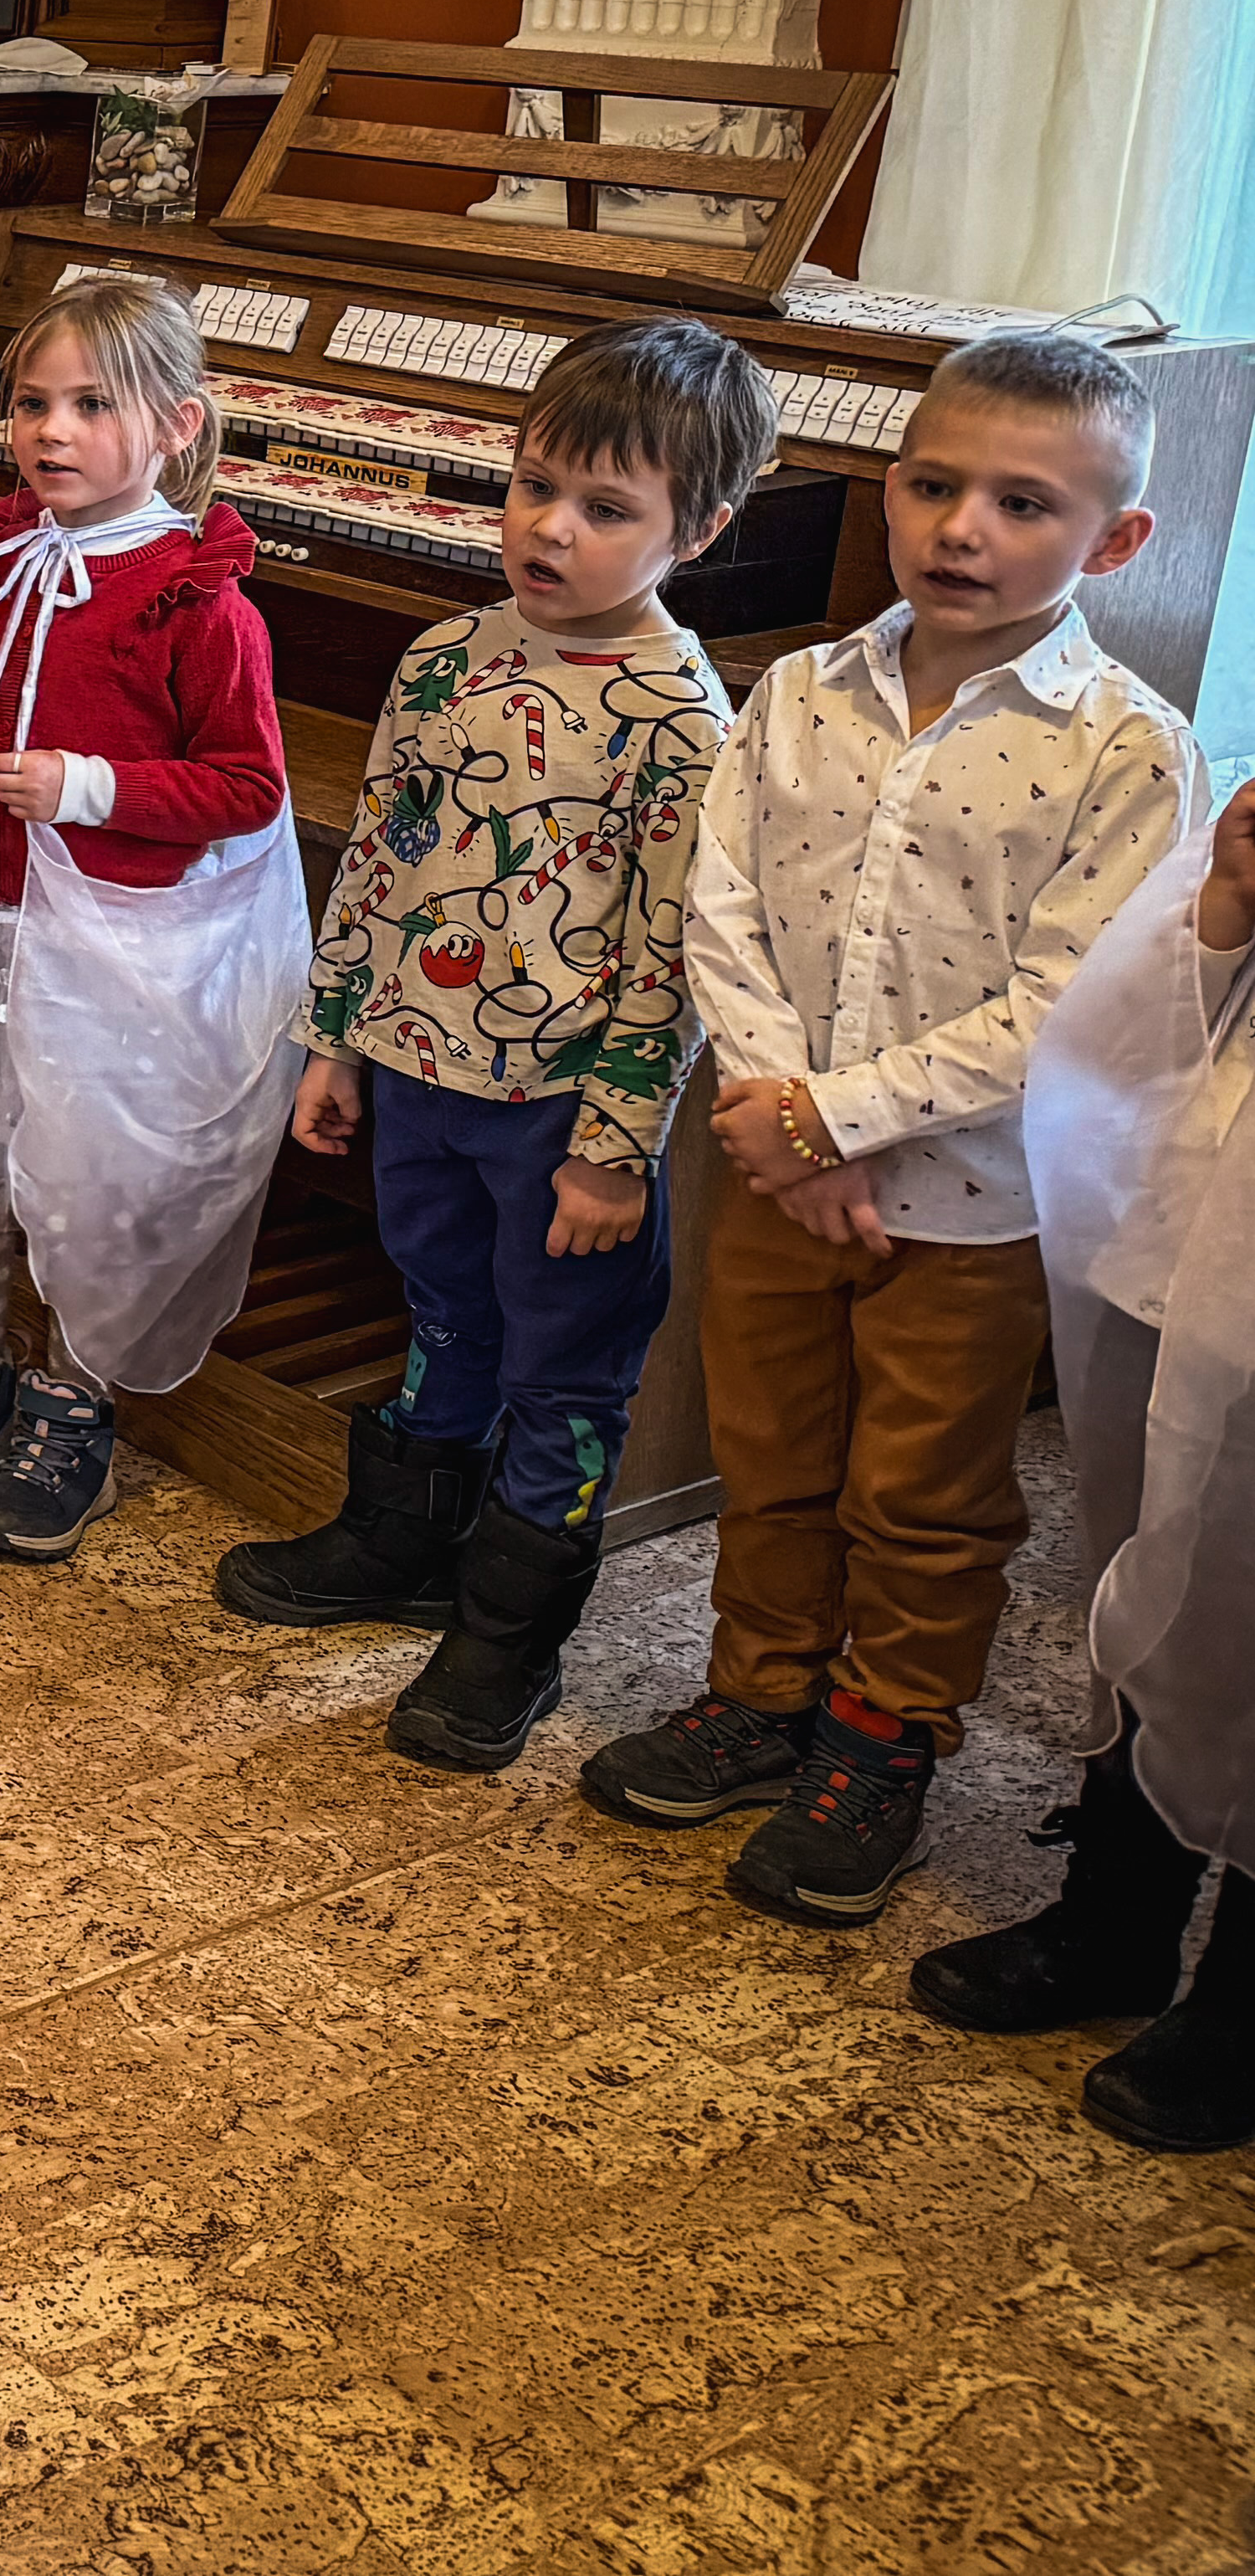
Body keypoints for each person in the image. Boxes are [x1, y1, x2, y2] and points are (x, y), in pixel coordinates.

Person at [580, 329, 1195, 1928]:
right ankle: (760, 1688)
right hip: (778, 1176)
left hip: (975, 1201)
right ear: (886, 483)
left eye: (1021, 503)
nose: (961, 529)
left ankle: (884, 1732)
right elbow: (720, 905)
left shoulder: (1127, 747)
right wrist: (780, 1118)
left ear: (1112, 540)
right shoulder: (795, 690)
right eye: (932, 483)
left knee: (921, 1488)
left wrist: (833, 1115)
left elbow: (1069, 996)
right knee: (769, 1447)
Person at [225, 320, 776, 1763]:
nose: (549, 527)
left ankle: (507, 1629)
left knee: (562, 1368)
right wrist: (334, 1041)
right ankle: (400, 1538)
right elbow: (380, 868)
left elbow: (671, 958)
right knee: (442, 1309)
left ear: (700, 527)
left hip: (558, 1115)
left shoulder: (679, 719)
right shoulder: (442, 657)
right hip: (417, 1065)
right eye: (533, 484)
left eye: (606, 510)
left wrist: (611, 1152)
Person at [0, 273, 296, 1563]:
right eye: (33, 404)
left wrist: (89, 786)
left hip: (112, 951)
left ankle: (69, 1411)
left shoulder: (197, 600)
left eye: (93, 405)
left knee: (83, 1181)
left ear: (177, 426)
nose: (52, 432)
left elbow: (247, 788)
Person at [991, 767, 1255, 2153]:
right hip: (1192, 1240)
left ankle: (1239, 2004)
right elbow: (1156, 1023)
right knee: (1153, 1585)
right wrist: (1224, 898)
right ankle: (1113, 1916)